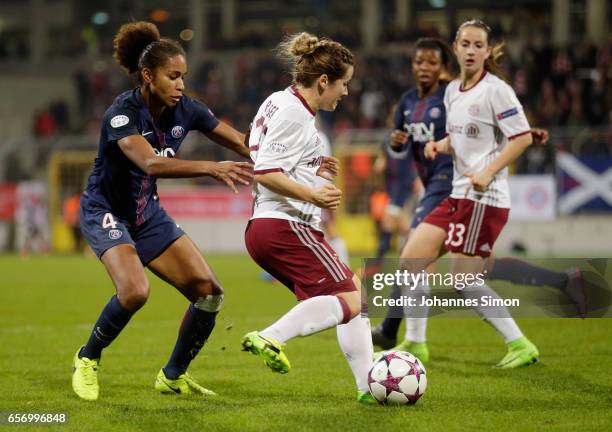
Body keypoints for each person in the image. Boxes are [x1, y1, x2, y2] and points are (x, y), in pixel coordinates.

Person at [374, 23, 584, 369]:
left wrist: (488, 170)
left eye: (478, 45)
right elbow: (460, 135)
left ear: (487, 51)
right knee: (411, 258)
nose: (471, 50)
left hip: (484, 199)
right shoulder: (454, 90)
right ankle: (415, 342)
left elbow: (520, 138)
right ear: (455, 48)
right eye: (466, 43)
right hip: (458, 193)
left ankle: (519, 344)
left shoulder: (496, 90)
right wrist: (441, 145)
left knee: (461, 280)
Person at [71, 21, 253, 401]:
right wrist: (210, 167)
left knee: (209, 293)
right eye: (173, 77)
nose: (181, 85)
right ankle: (87, 358)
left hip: (146, 214)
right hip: (106, 210)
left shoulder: (187, 109)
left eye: (183, 77)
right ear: (148, 75)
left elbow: (242, 143)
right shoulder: (122, 114)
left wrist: (302, 163)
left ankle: (173, 375)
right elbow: (150, 164)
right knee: (135, 291)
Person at [241, 32, 375, 404]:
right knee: (351, 298)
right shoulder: (295, 113)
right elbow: (265, 171)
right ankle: (271, 336)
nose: (345, 93)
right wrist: (313, 193)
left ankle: (368, 386)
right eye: (344, 84)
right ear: (323, 82)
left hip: (267, 227)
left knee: (354, 300)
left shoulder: (278, 101)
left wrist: (315, 165)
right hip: (285, 225)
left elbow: (261, 150)